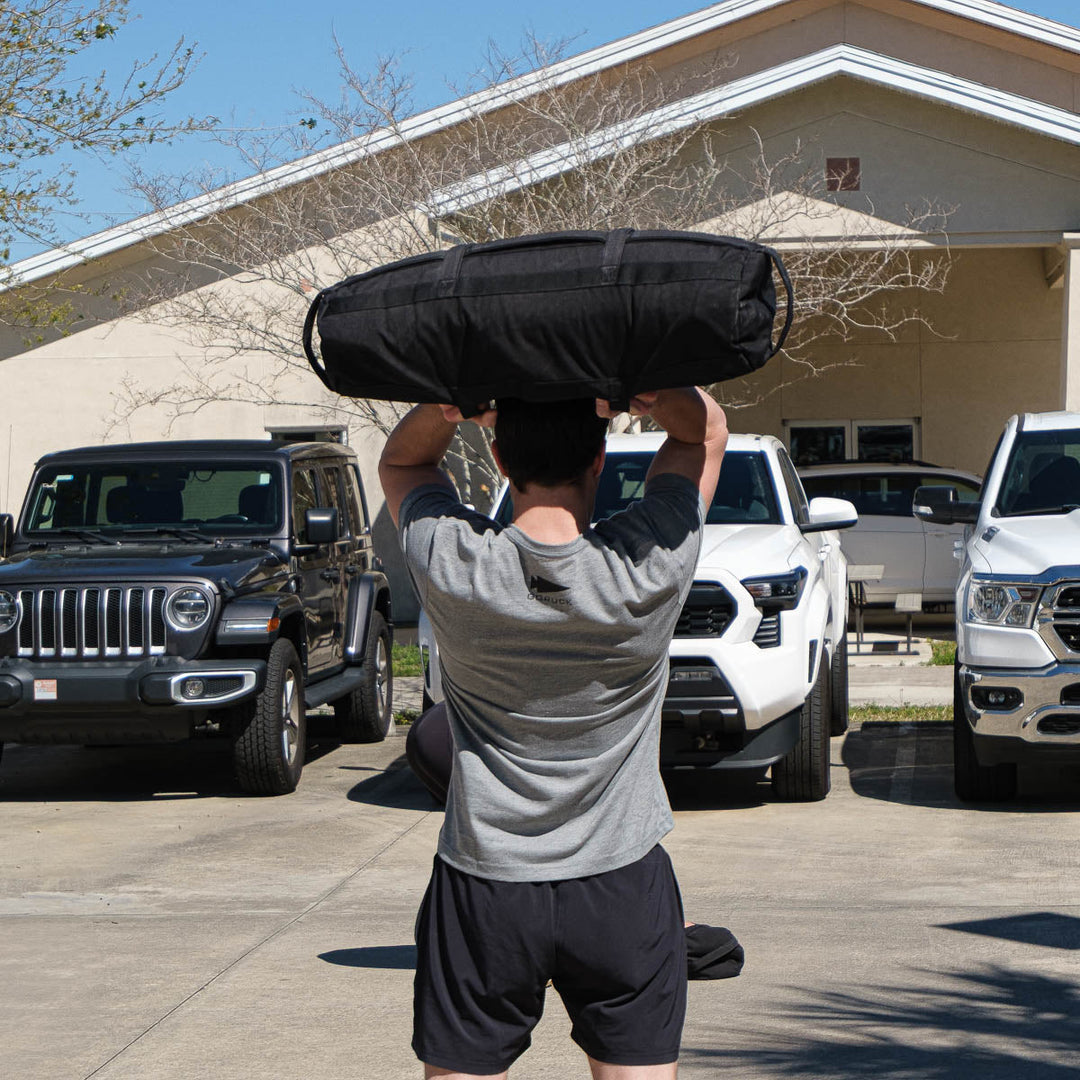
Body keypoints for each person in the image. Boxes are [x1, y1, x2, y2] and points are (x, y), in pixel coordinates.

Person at [379, 387, 727, 1080]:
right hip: (621, 883)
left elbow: (402, 463)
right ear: (600, 458)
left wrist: (452, 406)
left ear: (500, 458)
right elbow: (704, 435)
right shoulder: (647, 564)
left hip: (486, 886)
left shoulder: (456, 561)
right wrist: (649, 390)